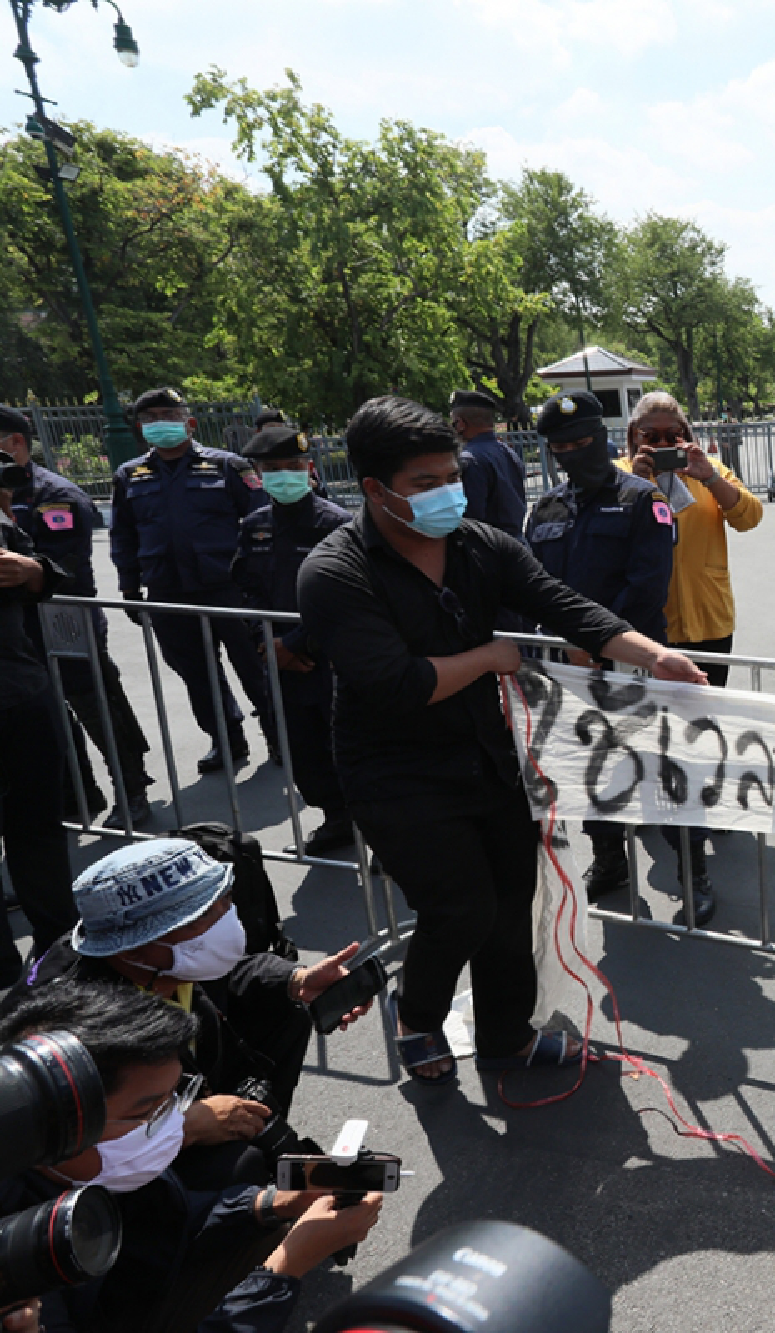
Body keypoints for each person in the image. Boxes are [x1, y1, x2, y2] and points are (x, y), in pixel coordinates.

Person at [297, 396, 706, 1085]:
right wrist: (490, 657)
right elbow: (396, 684)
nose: (447, 492)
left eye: (450, 475)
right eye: (425, 483)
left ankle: (506, 1037)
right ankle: (418, 1016)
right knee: (459, 907)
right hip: (395, 772)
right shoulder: (335, 572)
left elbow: (562, 603)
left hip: (485, 755)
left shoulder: (480, 546)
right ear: (375, 488)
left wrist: (649, 654)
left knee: (513, 896)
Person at [0, 982, 383, 1333]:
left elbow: (165, 1217)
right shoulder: (16, 1261)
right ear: (58, 1123)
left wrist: (272, 1203)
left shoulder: (90, 1169)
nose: (172, 1121)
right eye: (146, 1110)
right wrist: (286, 1266)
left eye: (174, 1099)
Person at [4, 838, 373, 1179]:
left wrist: (297, 980)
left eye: (225, 899)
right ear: (134, 949)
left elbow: (225, 973)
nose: (227, 916)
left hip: (190, 1078)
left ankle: (253, 1125)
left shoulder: (147, 957)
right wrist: (187, 1126)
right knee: (241, 1167)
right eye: (203, 915)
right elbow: (75, 1157)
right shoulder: (75, 1033)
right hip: (127, 1166)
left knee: (285, 1010)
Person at [525, 391, 692, 915]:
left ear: (603, 438)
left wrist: (594, 642)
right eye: (562, 446)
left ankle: (694, 871)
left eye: (583, 441)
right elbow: (535, 586)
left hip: (632, 662)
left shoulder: (645, 500)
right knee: (588, 771)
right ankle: (609, 858)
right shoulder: (546, 508)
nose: (574, 452)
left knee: (661, 771)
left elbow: (647, 586)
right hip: (570, 672)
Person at [109, 388, 276, 774]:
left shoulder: (228, 466)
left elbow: (261, 522)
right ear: (140, 428)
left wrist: (263, 581)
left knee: (255, 664)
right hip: (169, 590)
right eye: (150, 418)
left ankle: (277, 734)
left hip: (228, 587)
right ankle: (226, 740)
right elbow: (124, 535)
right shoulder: (129, 475)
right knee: (197, 673)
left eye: (168, 414)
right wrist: (130, 587)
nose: (160, 423)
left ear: (190, 421)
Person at [0, 405, 154, 822]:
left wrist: (25, 568)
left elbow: (64, 567)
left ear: (15, 443)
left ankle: (132, 790)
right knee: (48, 720)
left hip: (63, 621)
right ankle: (77, 798)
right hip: (16, 635)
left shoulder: (56, 496)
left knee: (99, 709)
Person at [231, 424, 355, 857]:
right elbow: (245, 590)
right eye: (272, 469)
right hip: (280, 658)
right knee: (301, 745)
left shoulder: (336, 524)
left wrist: (300, 644)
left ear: (308, 468)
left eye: (292, 466)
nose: (284, 475)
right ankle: (335, 817)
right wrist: (266, 643)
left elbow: (345, 596)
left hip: (329, 658)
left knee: (349, 742)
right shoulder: (254, 526)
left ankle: (374, 824)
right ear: (258, 475)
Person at [622, 391, 764, 680]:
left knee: (706, 713)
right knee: (652, 718)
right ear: (634, 436)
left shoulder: (707, 470)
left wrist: (710, 477)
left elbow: (750, 518)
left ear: (686, 435)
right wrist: (633, 484)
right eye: (651, 436)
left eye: (672, 436)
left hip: (707, 618)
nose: (662, 444)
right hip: (644, 624)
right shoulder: (618, 476)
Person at [0, 462, 74, 986]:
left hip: (18, 697)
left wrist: (34, 571)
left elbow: (46, 576)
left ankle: (57, 952)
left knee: (38, 832)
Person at [449, 388, 527, 536]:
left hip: (490, 549)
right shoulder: (508, 452)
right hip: (514, 545)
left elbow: (471, 520)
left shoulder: (469, 459)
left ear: (460, 424)